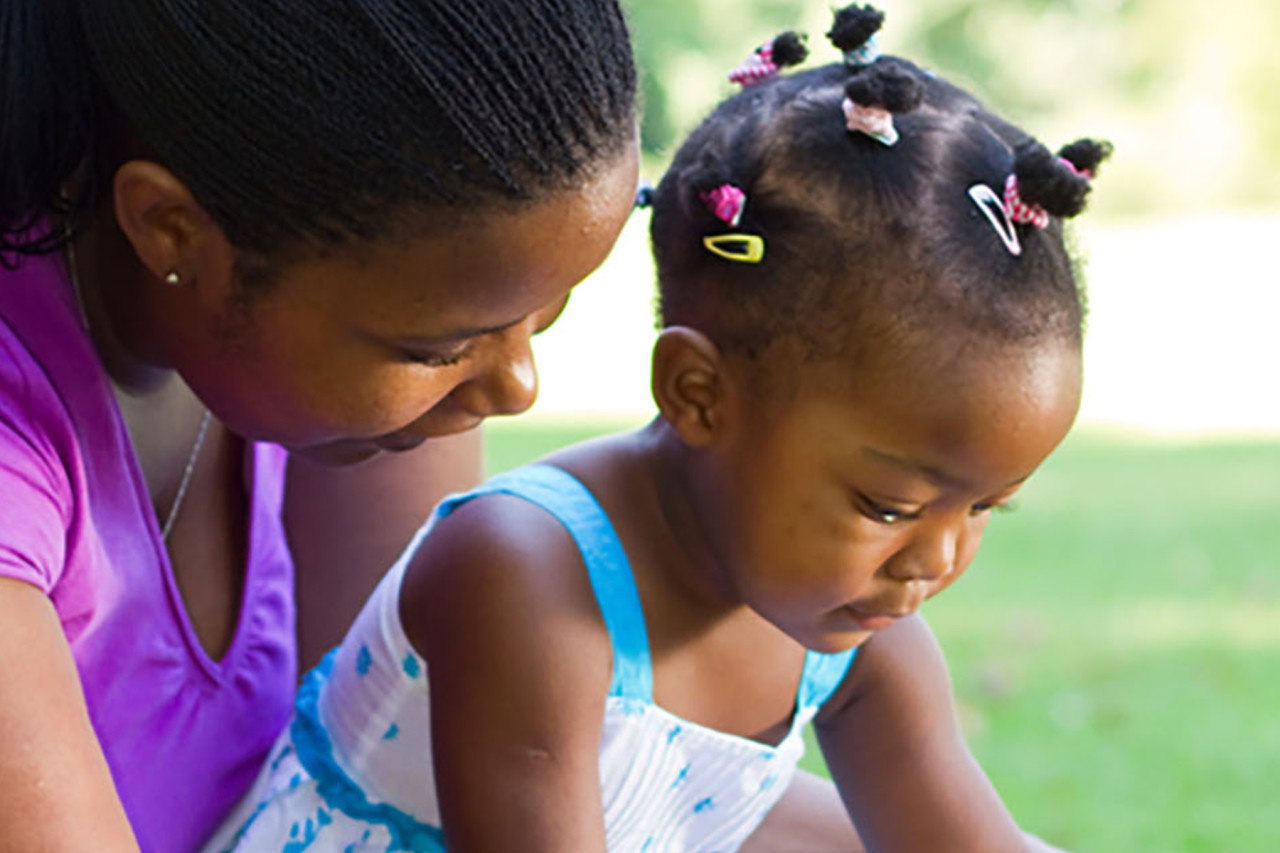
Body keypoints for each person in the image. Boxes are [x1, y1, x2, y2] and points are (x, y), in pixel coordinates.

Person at [204, 6, 1110, 852]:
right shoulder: (523, 574)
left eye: (987, 506)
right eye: (888, 504)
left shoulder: (863, 633)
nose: (937, 559)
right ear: (697, 392)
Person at [0, 1, 641, 851]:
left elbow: (391, 786)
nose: (516, 386)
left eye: (543, 312)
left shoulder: (343, 371)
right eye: (438, 345)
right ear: (169, 229)